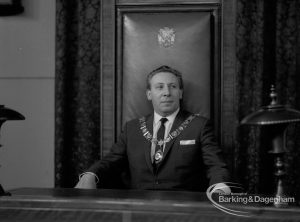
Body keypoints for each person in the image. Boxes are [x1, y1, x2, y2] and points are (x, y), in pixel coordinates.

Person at [75, 65, 230, 192]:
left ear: (180, 93)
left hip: (184, 210)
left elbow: (216, 165)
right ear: (149, 94)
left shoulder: (199, 125)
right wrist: (90, 174)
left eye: (173, 87)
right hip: (139, 209)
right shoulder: (132, 128)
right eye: (159, 87)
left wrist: (220, 188)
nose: (167, 93)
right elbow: (111, 161)